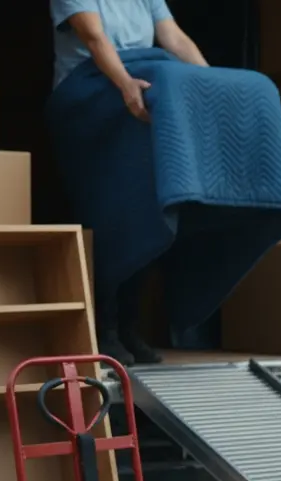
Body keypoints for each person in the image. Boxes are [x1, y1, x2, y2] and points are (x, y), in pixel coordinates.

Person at [50, 0, 210, 366]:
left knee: (141, 210)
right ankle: (103, 331)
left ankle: (128, 328)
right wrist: (124, 84)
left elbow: (173, 37)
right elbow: (92, 35)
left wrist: (211, 83)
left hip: (135, 98)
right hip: (89, 98)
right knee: (105, 213)